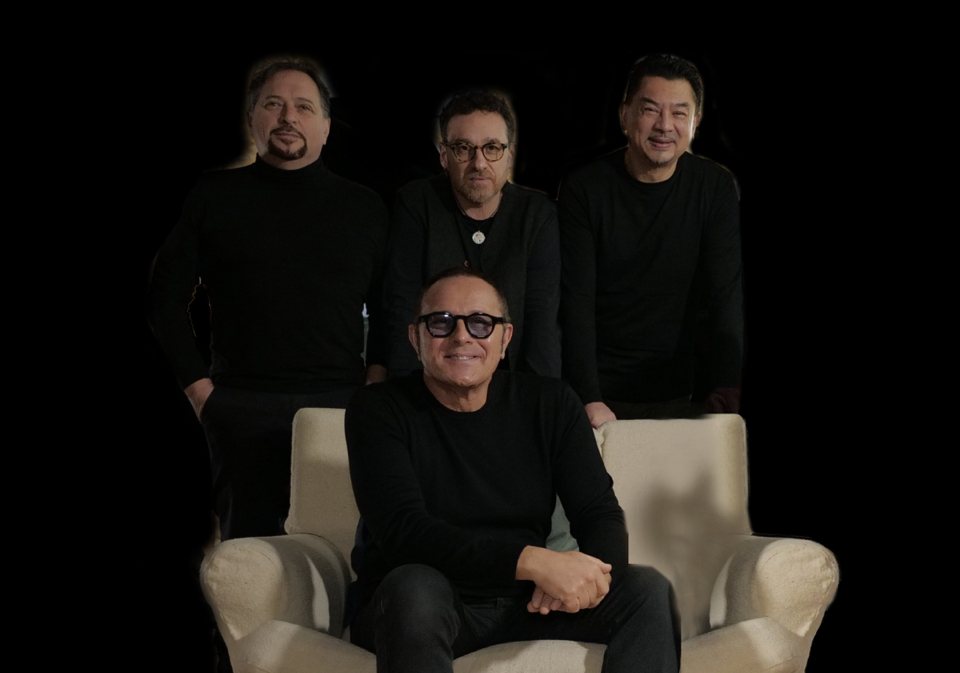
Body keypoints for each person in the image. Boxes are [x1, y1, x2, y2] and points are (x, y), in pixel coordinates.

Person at [345, 267, 680, 673]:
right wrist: (534, 562)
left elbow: (599, 514)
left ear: (505, 339)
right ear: (416, 338)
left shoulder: (551, 403)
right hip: (426, 605)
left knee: (647, 590)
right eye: (441, 322)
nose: (461, 336)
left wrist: (584, 582)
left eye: (480, 323)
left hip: (531, 602)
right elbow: (405, 533)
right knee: (414, 587)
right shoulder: (377, 410)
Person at [147, 57, 388, 542]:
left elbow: (391, 309)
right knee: (247, 558)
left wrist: (374, 391)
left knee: (342, 547)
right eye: (273, 105)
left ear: (326, 127)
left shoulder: (365, 207)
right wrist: (202, 394)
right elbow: (163, 299)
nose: (288, 117)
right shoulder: (214, 195)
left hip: (339, 406)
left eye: (303, 107)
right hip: (241, 408)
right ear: (252, 118)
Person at [559, 54, 743, 427]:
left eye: (679, 113)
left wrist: (727, 386)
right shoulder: (584, 189)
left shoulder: (715, 187)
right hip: (599, 392)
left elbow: (725, 293)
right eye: (650, 110)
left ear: (695, 122)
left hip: (684, 390)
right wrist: (588, 396)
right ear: (624, 115)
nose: (664, 125)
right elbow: (575, 301)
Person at [384, 89, 561, 379]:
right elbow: (403, 305)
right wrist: (405, 393)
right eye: (464, 148)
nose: (479, 163)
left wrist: (541, 396)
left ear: (509, 155)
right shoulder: (416, 204)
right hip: (431, 378)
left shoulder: (537, 214)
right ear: (444, 155)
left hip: (512, 381)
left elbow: (541, 318)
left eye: (492, 148)